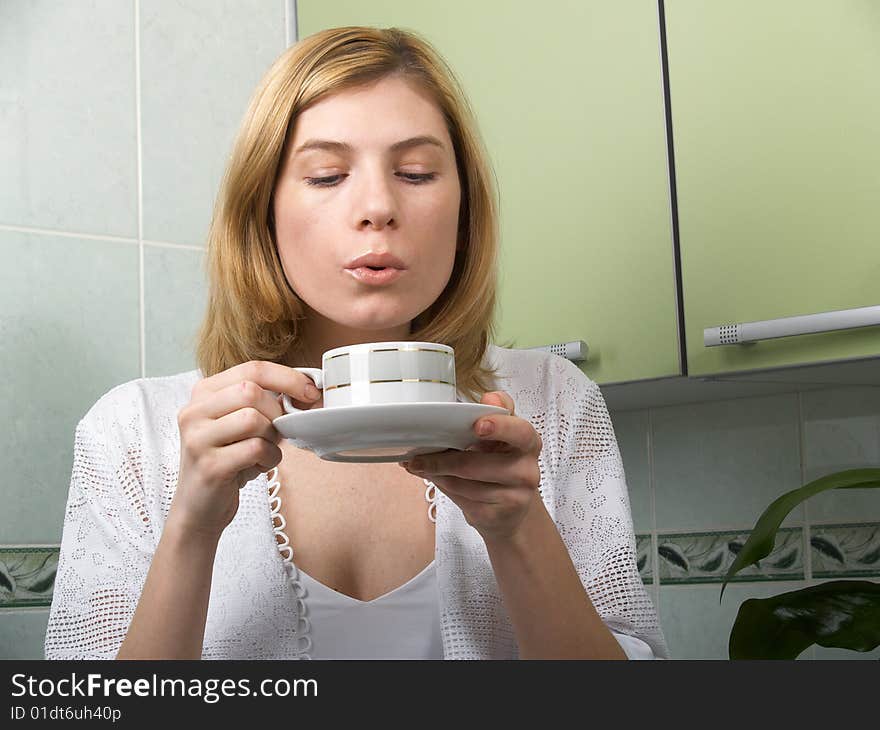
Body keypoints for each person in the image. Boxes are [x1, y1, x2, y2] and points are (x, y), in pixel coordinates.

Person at [44, 26, 668, 660]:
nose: (377, 206)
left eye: (416, 173)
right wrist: (192, 528)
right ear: (264, 214)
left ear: (463, 216)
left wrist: (517, 529)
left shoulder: (554, 403)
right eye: (326, 175)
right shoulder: (134, 432)